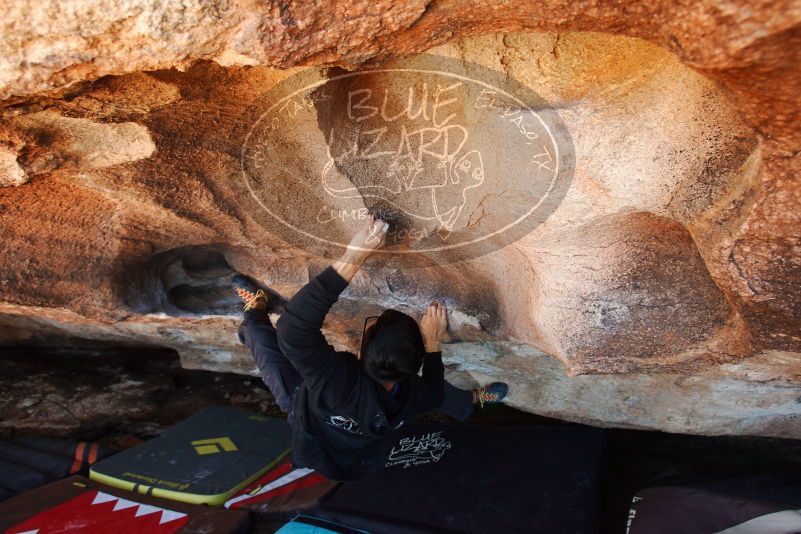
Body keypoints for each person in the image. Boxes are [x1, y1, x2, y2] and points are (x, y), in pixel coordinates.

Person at [233, 216, 509, 481]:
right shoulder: (412, 394)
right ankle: (471, 401)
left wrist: (353, 256)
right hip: (356, 445)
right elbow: (434, 391)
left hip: (306, 415)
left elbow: (293, 330)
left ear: (362, 353)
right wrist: (434, 344)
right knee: (434, 396)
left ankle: (256, 308)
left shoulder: (336, 379)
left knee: (262, 342)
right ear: (416, 365)